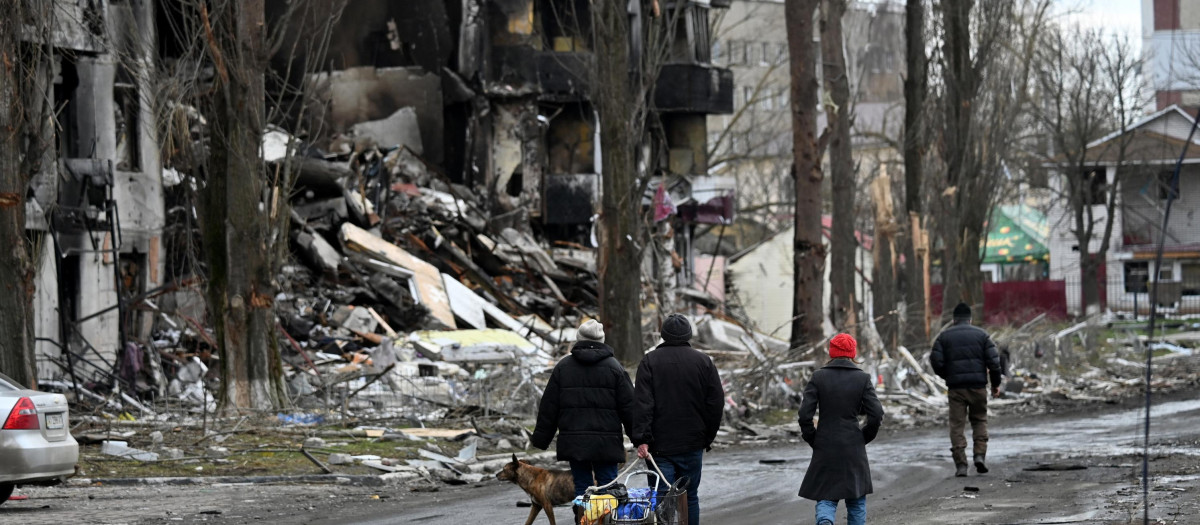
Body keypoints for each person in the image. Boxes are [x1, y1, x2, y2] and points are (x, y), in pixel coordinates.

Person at [632, 314, 724, 525]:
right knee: (689, 496)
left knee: (663, 498)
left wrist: (642, 438)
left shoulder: (649, 361)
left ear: (663, 335)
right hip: (693, 442)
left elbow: (642, 403)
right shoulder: (703, 362)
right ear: (688, 335)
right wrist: (707, 436)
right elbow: (716, 403)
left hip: (659, 446)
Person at [531, 319, 636, 497]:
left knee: (582, 489)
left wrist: (541, 439)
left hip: (574, 442)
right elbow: (630, 407)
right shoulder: (614, 368)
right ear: (602, 340)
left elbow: (549, 406)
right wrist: (639, 438)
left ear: (578, 339)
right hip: (606, 443)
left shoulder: (563, 368)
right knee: (608, 489)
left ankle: (584, 520)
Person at [797, 333, 885, 525]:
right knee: (856, 497)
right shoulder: (862, 378)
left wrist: (813, 438)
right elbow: (876, 414)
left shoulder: (819, 377)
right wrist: (864, 437)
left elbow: (805, 415)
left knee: (826, 495)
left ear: (832, 352)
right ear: (852, 353)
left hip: (825, 443)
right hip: (853, 444)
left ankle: (826, 522)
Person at [930, 302, 1003, 477]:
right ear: (970, 319)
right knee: (979, 420)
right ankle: (979, 455)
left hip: (956, 389)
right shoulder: (982, 335)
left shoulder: (943, 337)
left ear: (954, 320)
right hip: (978, 386)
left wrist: (947, 376)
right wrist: (995, 385)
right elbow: (994, 363)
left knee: (957, 425)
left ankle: (961, 465)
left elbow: (935, 361)